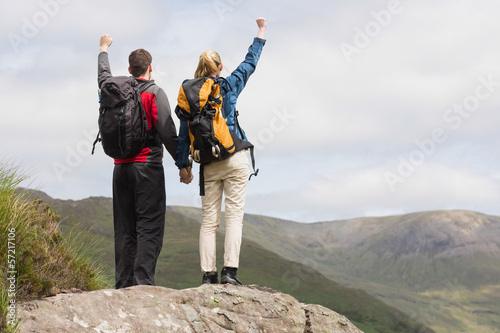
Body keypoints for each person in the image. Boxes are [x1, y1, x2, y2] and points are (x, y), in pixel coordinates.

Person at [175, 18, 267, 285]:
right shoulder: (228, 86)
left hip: (208, 163)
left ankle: (208, 276)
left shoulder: (190, 95)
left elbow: (185, 134)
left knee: (209, 221)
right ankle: (230, 273)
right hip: (235, 156)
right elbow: (249, 65)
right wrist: (260, 32)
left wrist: (184, 166)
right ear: (220, 67)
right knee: (234, 215)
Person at [98, 34, 184, 289]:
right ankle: (143, 284)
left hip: (119, 168)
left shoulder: (112, 91)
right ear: (150, 67)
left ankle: (124, 284)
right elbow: (167, 131)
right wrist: (183, 164)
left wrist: (103, 49)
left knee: (124, 229)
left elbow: (102, 76)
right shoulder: (154, 93)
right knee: (149, 226)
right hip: (147, 167)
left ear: (129, 70)